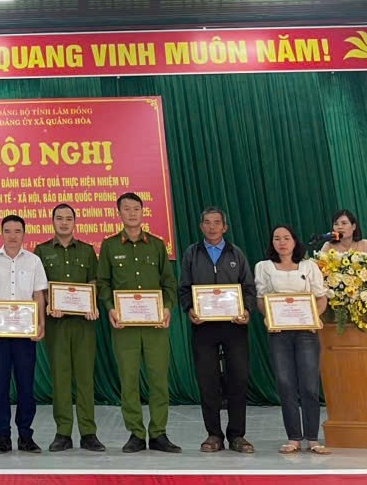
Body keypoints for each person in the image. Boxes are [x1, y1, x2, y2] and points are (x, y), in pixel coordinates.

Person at [97, 192, 181, 454]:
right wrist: (110, 308)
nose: (132, 213)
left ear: (143, 212)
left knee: (158, 380)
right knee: (129, 380)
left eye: (136, 208)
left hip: (155, 326)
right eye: (127, 209)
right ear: (119, 213)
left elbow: (169, 282)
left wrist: (167, 308)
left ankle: (158, 433)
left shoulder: (157, 245)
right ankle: (135, 433)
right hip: (125, 327)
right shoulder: (109, 246)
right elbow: (103, 283)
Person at [178, 207, 256, 454]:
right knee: (207, 381)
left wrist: (247, 311)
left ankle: (237, 435)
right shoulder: (192, 254)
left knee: (238, 380)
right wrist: (190, 308)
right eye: (207, 222)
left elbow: (249, 288)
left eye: (217, 222)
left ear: (225, 227)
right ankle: (213, 434)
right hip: (204, 327)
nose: (212, 227)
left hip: (234, 326)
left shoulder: (236, 253)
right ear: (201, 226)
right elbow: (184, 288)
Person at [33, 204, 105, 453]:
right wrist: (49, 304)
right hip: (57, 323)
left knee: (85, 377)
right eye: (59, 218)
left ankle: (88, 432)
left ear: (75, 222)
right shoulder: (42, 251)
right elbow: (40, 287)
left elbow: (93, 282)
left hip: (84, 323)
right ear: (52, 221)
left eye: (68, 218)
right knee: (60, 377)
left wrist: (91, 304)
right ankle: (63, 432)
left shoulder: (87, 250)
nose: (64, 222)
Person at [255, 224, 331, 456]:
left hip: (306, 332)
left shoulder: (309, 266)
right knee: (285, 383)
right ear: (272, 242)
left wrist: (312, 317)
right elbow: (261, 299)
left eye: (286, 238)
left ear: (295, 241)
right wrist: (270, 316)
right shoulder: (264, 267)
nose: (282, 242)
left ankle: (313, 438)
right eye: (277, 238)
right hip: (279, 333)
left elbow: (321, 298)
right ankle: (294, 438)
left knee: (309, 384)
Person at [0, 214, 48, 455]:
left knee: (26, 387)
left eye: (17, 231)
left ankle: (26, 435)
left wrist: (41, 323)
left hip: (25, 335)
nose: (12, 236)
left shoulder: (34, 261)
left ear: (24, 234)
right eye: (7, 231)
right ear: (1, 233)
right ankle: (2, 436)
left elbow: (39, 295)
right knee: (0, 387)